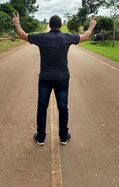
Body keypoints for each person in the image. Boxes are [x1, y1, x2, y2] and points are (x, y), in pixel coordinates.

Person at [12, 13, 96, 145]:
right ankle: (63, 137)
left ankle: (40, 137)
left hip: (45, 78)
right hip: (62, 78)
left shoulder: (42, 37)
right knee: (63, 107)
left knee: (42, 107)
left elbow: (23, 35)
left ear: (49, 25)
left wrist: (17, 23)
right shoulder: (66, 37)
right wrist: (91, 26)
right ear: (61, 25)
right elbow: (84, 36)